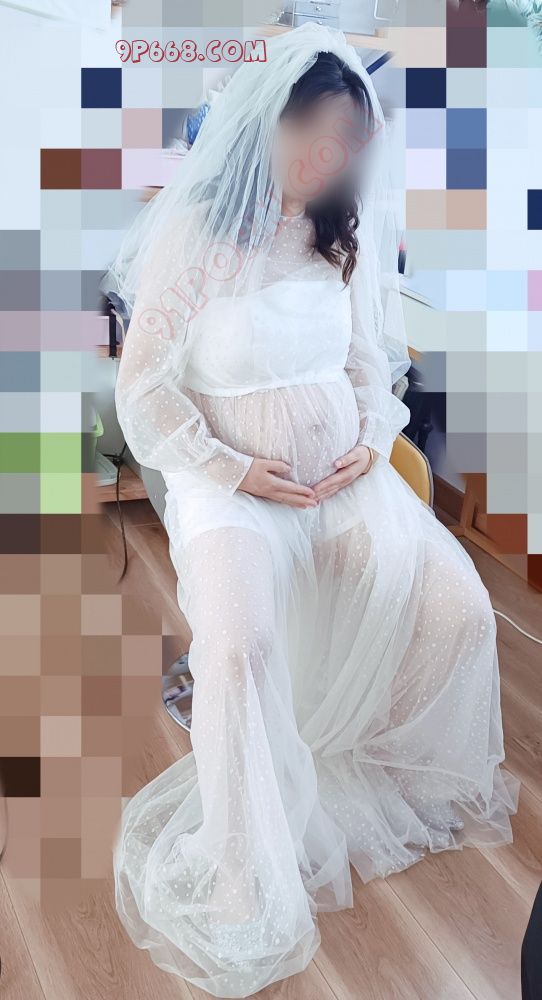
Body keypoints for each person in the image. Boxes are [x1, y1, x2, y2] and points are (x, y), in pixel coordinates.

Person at [102, 23, 520, 999]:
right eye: (313, 135)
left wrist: (369, 440)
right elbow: (146, 386)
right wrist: (232, 469)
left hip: (340, 476)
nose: (328, 157)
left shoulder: (342, 230)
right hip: (230, 485)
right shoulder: (199, 234)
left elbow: (367, 356)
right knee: (238, 647)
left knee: (458, 609)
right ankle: (241, 865)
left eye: (346, 140)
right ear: (270, 124)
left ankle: (386, 757)